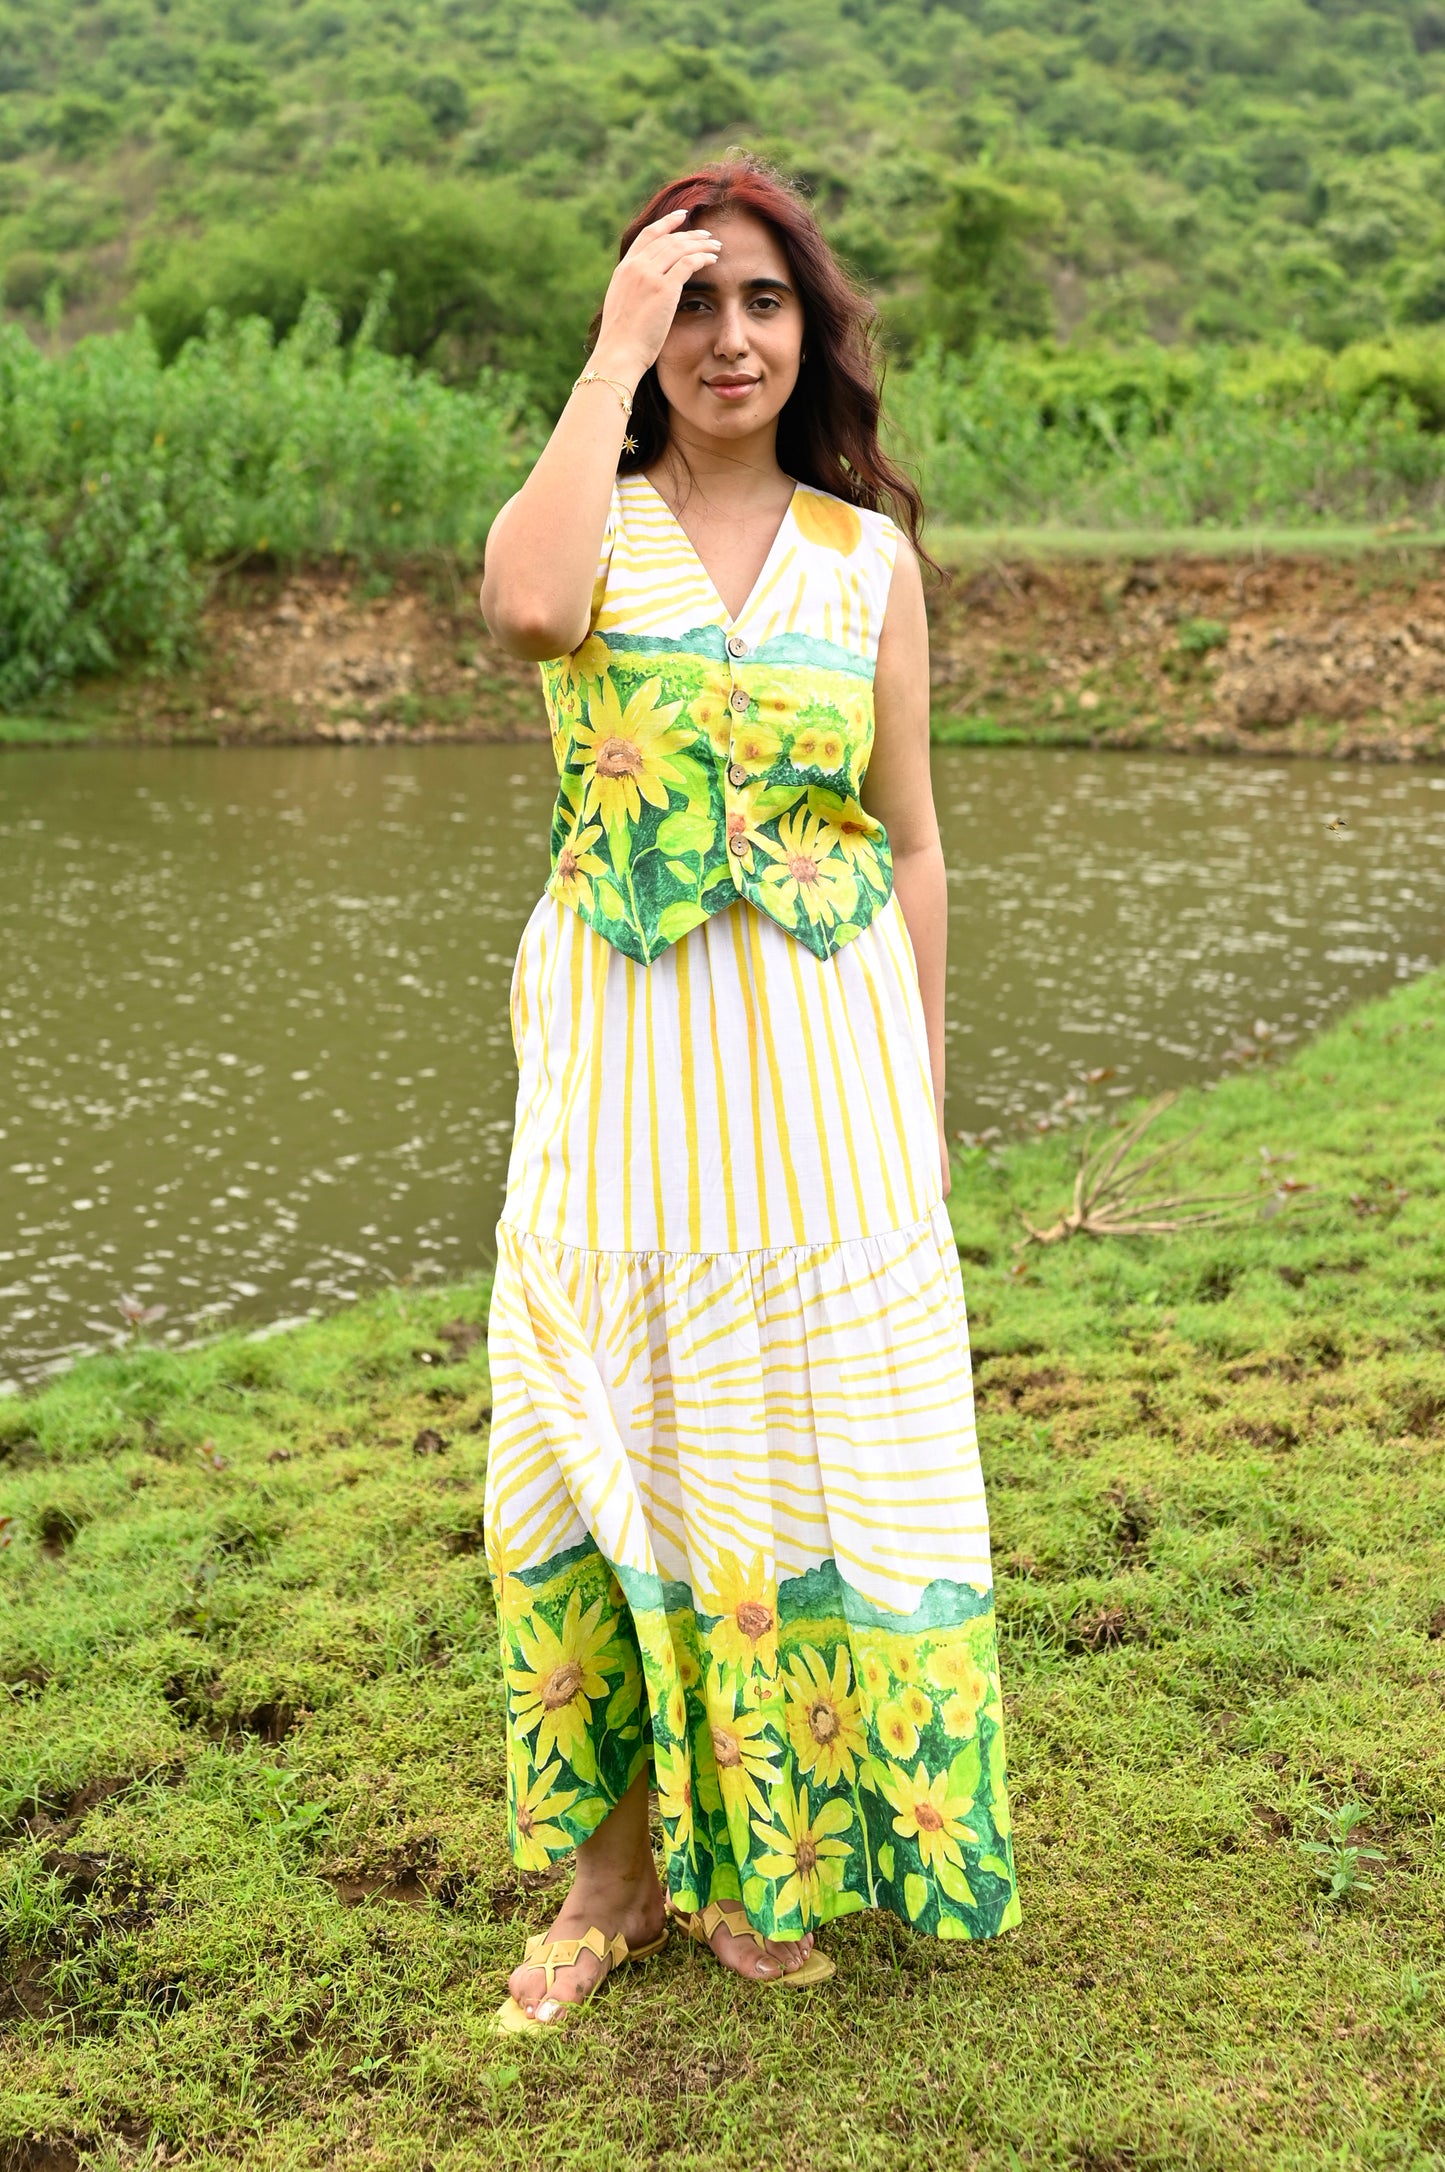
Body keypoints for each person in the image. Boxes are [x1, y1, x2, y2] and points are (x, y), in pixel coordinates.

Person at [479, 155, 1019, 2033]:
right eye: (691, 302)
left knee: (793, 1440)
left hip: (818, 1069)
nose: (729, 338)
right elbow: (524, 613)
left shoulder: (866, 563)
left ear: (813, 332)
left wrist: (919, 1095)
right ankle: (612, 1878)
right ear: (641, 323)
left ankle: (766, 1860)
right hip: (623, 1058)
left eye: (762, 302)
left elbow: (911, 839)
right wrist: (605, 345)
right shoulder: (587, 519)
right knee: (606, 1421)